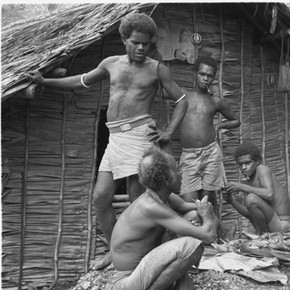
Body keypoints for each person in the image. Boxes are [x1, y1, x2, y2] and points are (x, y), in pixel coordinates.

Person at [25, 13, 188, 270]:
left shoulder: (157, 69)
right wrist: (45, 81)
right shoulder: (110, 63)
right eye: (135, 42)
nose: (141, 48)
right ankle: (116, 250)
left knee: (139, 199)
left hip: (139, 136)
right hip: (115, 138)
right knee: (100, 197)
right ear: (124, 39)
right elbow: (80, 81)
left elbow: (181, 100)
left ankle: (144, 257)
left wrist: (168, 132)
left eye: (146, 43)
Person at [110, 146, 218, 290]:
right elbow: (209, 236)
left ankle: (168, 282)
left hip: (142, 272)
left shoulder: (160, 196)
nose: (181, 172)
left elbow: (184, 207)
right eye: (177, 170)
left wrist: (201, 208)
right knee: (192, 245)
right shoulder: (150, 207)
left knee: (191, 217)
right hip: (128, 281)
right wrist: (207, 214)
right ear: (167, 179)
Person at [176, 56, 240, 216]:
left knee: (209, 199)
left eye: (210, 76)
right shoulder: (183, 95)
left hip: (211, 153)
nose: (206, 78)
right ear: (195, 73)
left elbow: (236, 120)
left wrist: (219, 126)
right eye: (202, 74)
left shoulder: (215, 102)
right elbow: (160, 87)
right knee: (189, 201)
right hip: (189, 156)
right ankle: (195, 238)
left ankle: (215, 237)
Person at [224, 142, 290, 233]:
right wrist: (231, 201)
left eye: (247, 163)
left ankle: (264, 235)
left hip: (282, 224)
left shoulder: (261, 169)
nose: (243, 167)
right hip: (273, 225)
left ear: (257, 161)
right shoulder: (248, 184)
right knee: (251, 199)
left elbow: (269, 194)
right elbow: (250, 214)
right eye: (240, 164)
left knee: (251, 198)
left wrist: (241, 186)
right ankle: (265, 235)